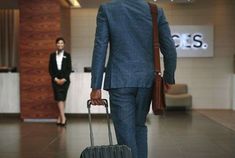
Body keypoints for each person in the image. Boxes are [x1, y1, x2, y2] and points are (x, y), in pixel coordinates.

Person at [90, 0, 177, 158]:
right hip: (146, 80)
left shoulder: (108, 9)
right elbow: (169, 48)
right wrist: (169, 77)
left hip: (119, 80)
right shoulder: (155, 10)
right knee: (139, 127)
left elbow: (100, 46)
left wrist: (96, 86)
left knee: (125, 136)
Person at [49, 37, 72, 126]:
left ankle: (60, 117)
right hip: (55, 80)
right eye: (58, 43)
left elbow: (69, 68)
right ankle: (63, 117)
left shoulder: (67, 55)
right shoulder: (52, 55)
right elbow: (50, 69)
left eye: (62, 43)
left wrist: (64, 79)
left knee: (62, 98)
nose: (60, 44)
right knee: (59, 98)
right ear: (56, 44)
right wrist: (55, 79)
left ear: (64, 45)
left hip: (65, 81)